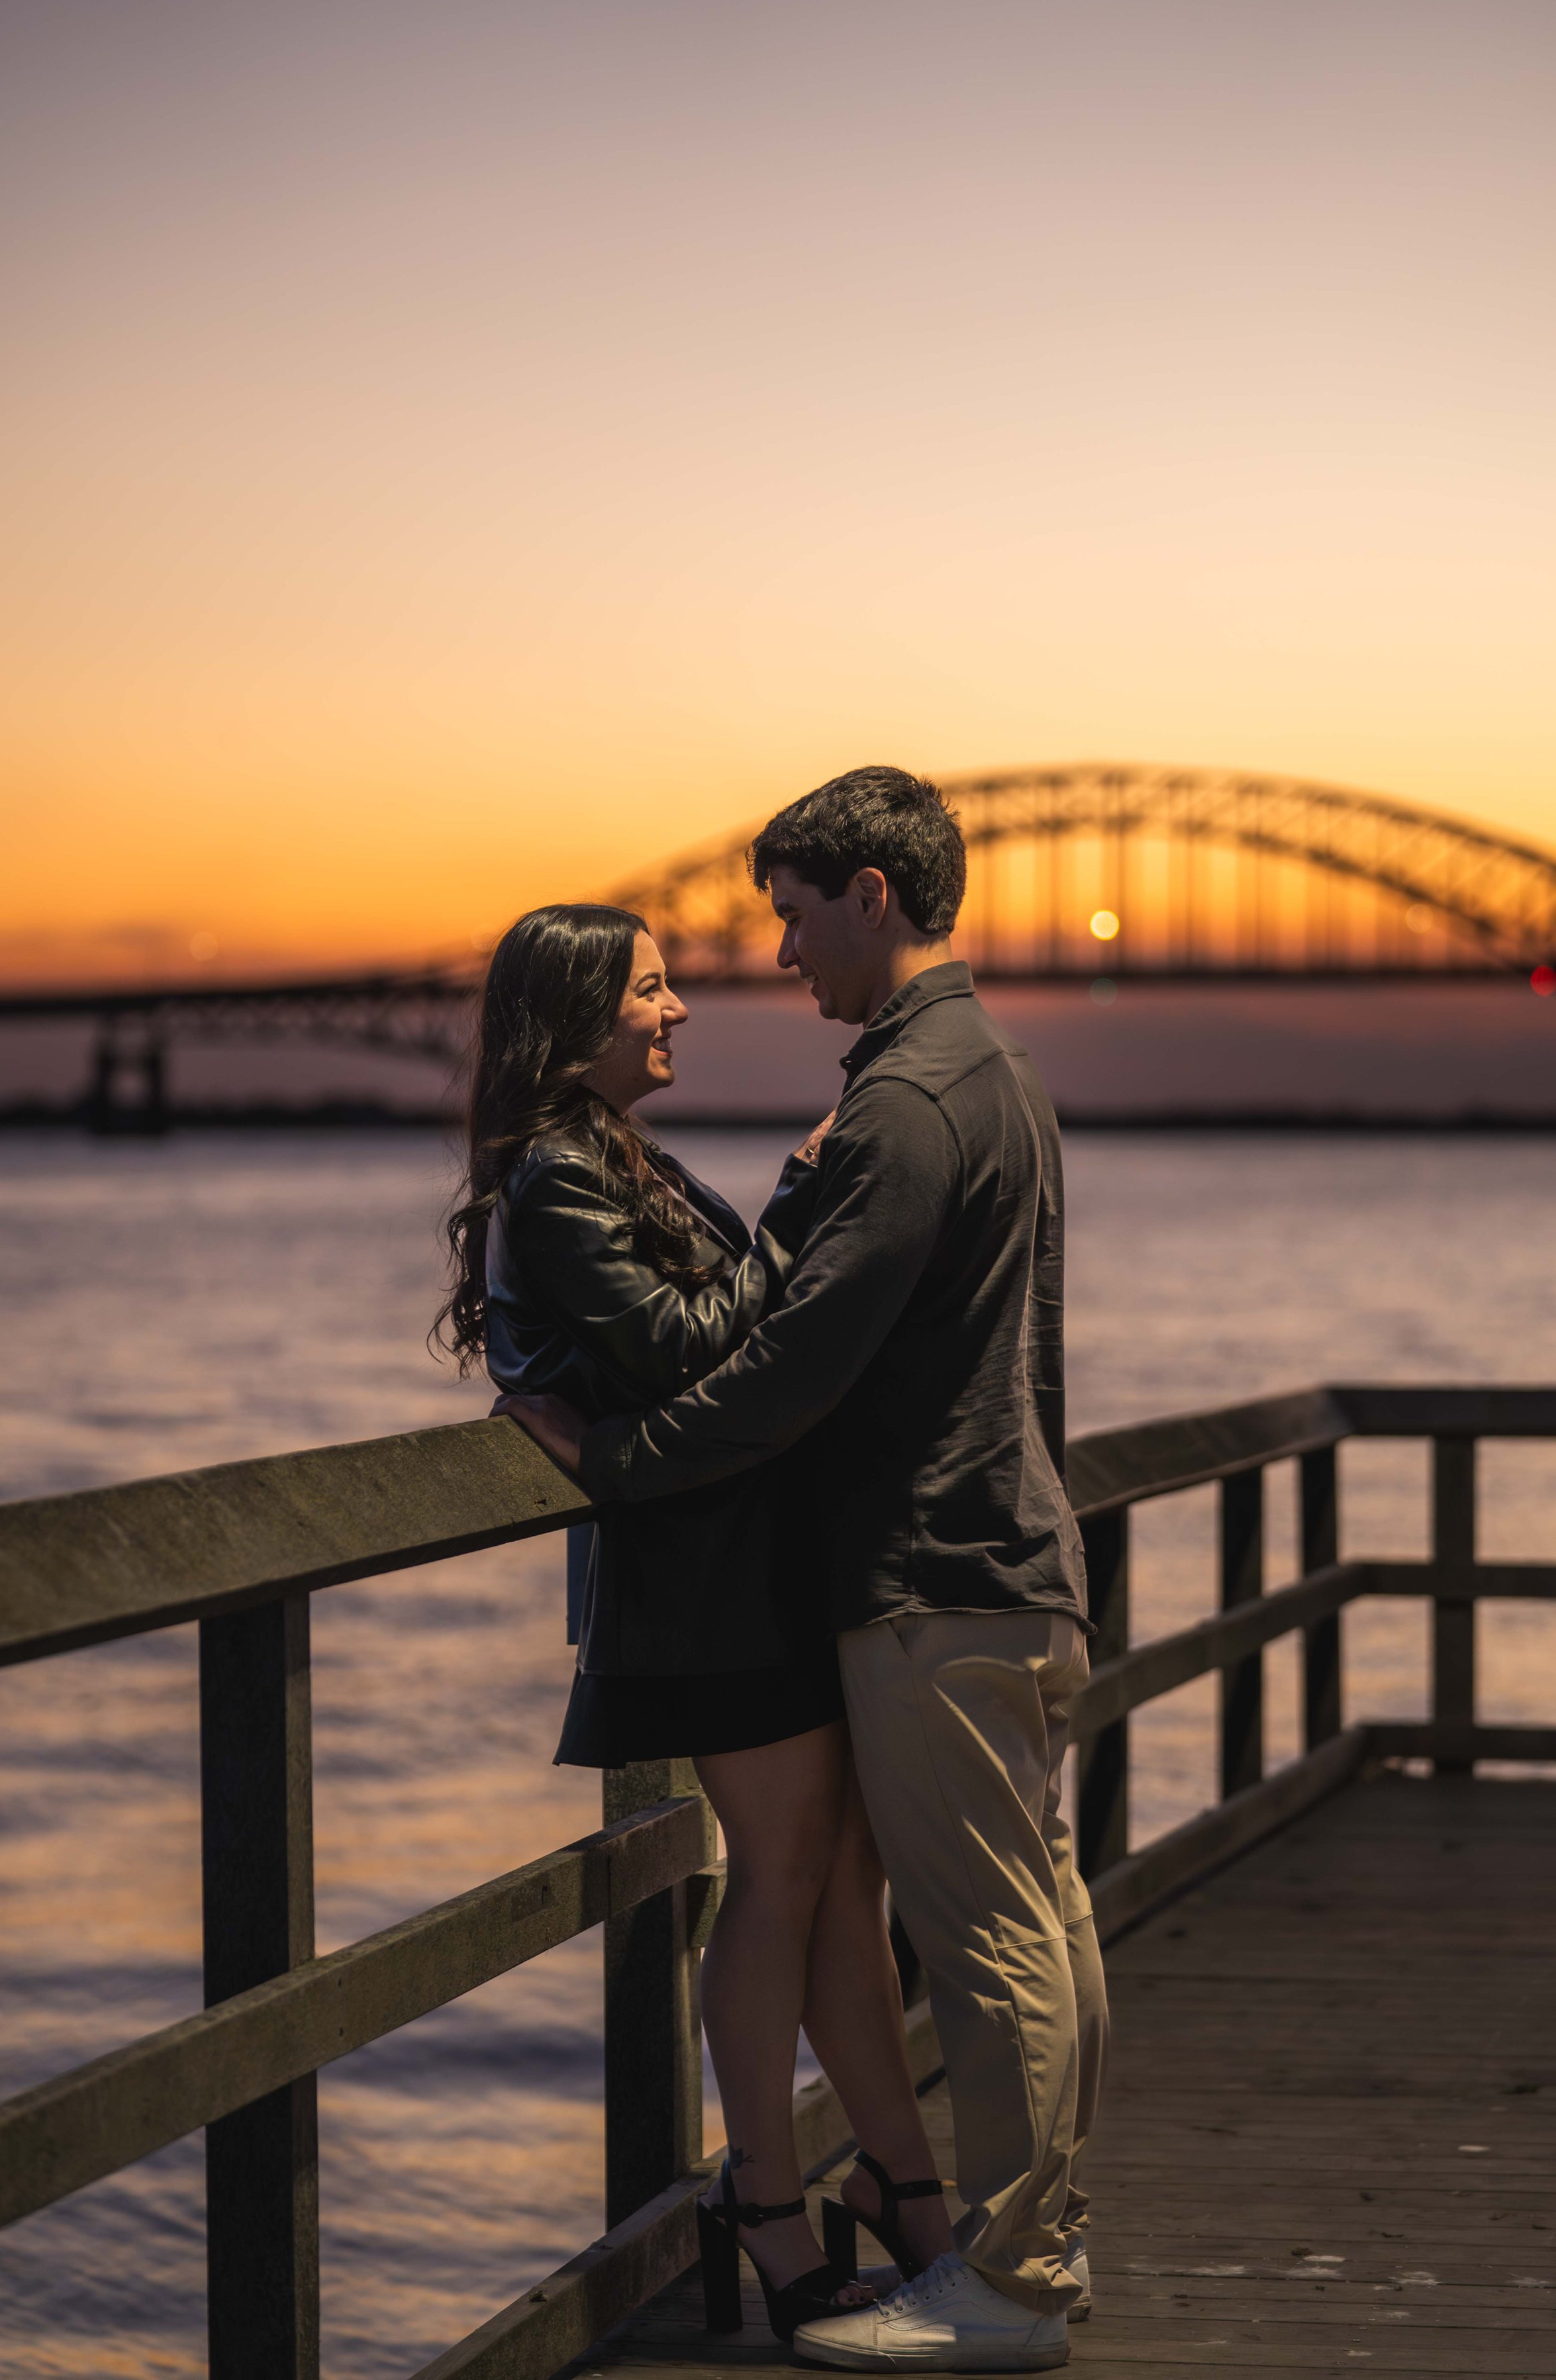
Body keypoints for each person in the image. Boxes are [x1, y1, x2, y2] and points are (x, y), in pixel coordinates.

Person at [498, 771, 1107, 2377]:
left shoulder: (906, 1105)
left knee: (987, 1937)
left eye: (787, 911)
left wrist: (614, 1464)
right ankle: (971, 2237)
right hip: (993, 1560)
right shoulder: (989, 1074)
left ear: (871, 898)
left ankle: (1012, 2277)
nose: (768, 955)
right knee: (1030, 1917)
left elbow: (779, 1366)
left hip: (931, 1570)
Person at [438, 901, 953, 2345]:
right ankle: (775, 2213)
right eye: (651, 992)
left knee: (832, 1877)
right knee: (779, 1882)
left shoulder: (608, 1154)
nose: (676, 1013)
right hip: (699, 1581)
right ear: (579, 1014)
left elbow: (715, 1340)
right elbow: (679, 1347)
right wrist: (795, 1204)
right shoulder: (554, 1175)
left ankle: (903, 2189)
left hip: (748, 1561)